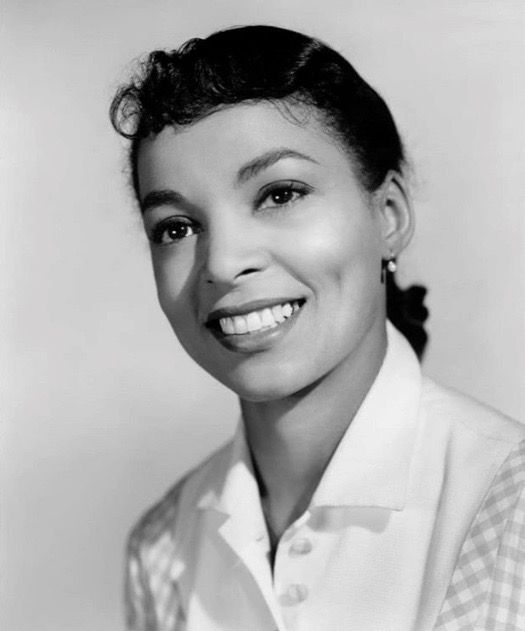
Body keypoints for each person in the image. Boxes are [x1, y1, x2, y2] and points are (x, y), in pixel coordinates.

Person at [110, 25, 525, 631]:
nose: (223, 263)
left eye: (280, 194)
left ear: (388, 215)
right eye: (176, 227)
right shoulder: (161, 551)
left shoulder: (509, 511)